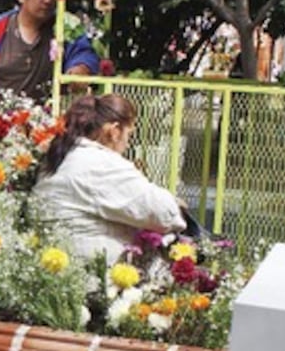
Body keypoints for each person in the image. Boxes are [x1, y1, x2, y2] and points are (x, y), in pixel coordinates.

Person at [34, 94, 185, 263]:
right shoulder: (100, 164)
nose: (127, 143)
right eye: (129, 134)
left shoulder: (62, 154)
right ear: (114, 131)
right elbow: (163, 213)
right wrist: (176, 203)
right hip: (93, 275)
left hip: (56, 264)